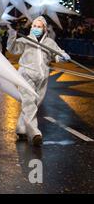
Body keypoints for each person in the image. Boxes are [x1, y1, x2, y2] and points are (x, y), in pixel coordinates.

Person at [7, 16, 71, 147]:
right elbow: (13, 49)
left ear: (44, 28)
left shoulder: (49, 43)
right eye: (34, 26)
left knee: (34, 103)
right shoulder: (25, 40)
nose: (36, 28)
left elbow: (57, 54)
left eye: (39, 26)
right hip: (26, 75)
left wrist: (63, 56)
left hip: (42, 77)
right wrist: (12, 35)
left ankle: (21, 129)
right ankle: (35, 133)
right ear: (31, 28)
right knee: (29, 102)